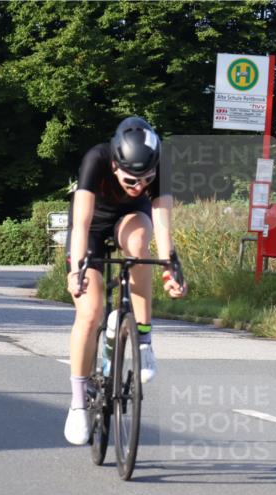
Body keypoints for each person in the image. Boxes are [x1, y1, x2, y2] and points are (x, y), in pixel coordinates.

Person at [64, 116, 187, 445]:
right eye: (131, 180)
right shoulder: (96, 158)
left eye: (146, 180)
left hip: (130, 219)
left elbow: (163, 225)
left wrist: (171, 268)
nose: (138, 187)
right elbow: (81, 223)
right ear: (115, 165)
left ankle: (143, 338)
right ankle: (78, 402)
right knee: (90, 312)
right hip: (90, 229)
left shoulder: (159, 165)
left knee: (139, 245)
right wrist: (77, 270)